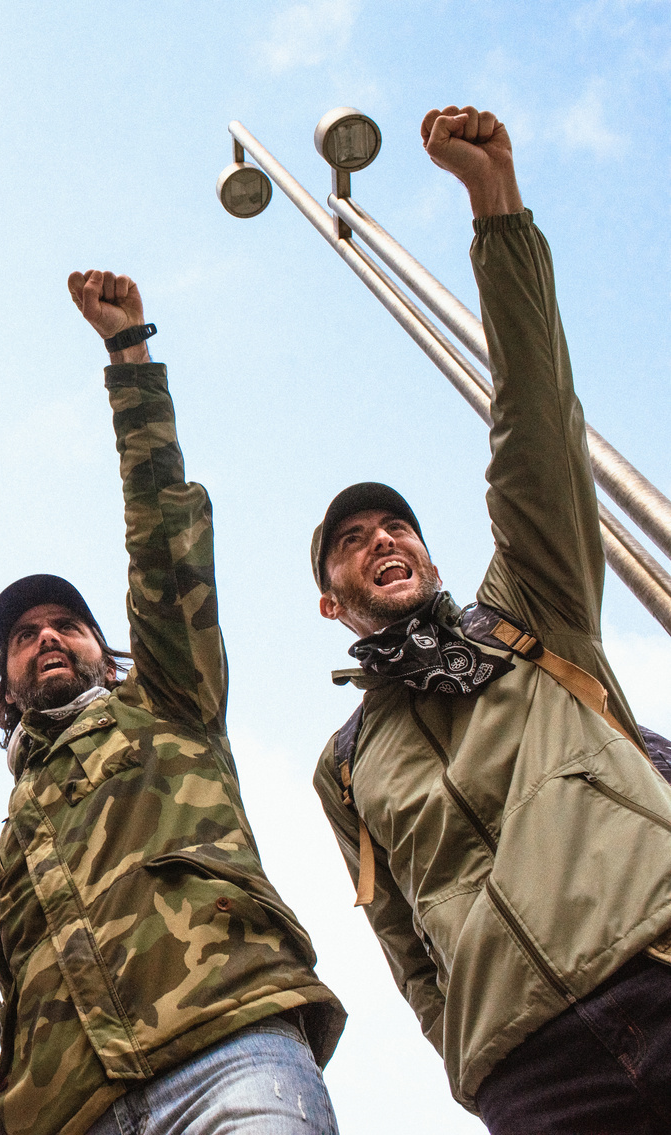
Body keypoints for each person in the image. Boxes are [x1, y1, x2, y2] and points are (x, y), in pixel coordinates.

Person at [311, 105, 671, 1134]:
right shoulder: (344, 765)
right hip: (531, 1071)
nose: (379, 539)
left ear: (423, 554)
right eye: (349, 539)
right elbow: (402, 945)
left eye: (394, 526)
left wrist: (493, 210)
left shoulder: (526, 613)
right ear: (329, 602)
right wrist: (470, 1060)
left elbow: (534, 429)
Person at [0, 271, 346, 1135]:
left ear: (105, 650)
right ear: (5, 682)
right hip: (70, 1114)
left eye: (66, 622)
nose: (46, 637)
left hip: (230, 1051)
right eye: (24, 634)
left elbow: (164, 539)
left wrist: (129, 358)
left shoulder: (168, 705)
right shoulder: (1, 857)